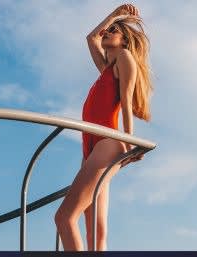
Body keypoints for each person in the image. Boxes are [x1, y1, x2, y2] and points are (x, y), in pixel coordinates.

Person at [54, 3, 153, 251]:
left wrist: (130, 143)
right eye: (108, 29)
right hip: (91, 149)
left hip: (107, 144)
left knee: (64, 217)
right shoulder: (105, 69)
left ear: (125, 40)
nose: (107, 32)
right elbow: (91, 37)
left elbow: (127, 101)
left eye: (114, 30)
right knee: (96, 234)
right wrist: (116, 14)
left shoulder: (124, 58)